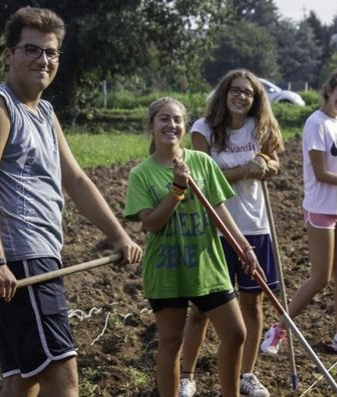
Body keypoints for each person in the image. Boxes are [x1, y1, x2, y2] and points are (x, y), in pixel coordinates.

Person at [0, 7, 142, 397]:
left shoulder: (44, 112)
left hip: (36, 255)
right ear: (9, 55)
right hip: (18, 258)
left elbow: (75, 180)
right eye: (32, 50)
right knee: (63, 377)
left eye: (51, 53)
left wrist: (118, 235)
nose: (43, 60)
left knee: (24, 377)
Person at [124, 97, 259, 397]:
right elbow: (152, 224)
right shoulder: (141, 174)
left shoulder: (203, 163)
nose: (171, 125)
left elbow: (221, 213)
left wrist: (244, 247)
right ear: (151, 126)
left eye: (177, 120)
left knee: (236, 333)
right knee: (171, 343)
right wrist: (176, 190)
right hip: (167, 270)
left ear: (185, 126)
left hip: (207, 265)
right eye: (163, 119)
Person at [175, 69, 285, 397]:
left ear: (255, 99)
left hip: (255, 225)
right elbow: (202, 181)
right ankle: (187, 374)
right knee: (202, 307)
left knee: (252, 306)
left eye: (248, 94)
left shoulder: (259, 127)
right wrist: (244, 170)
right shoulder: (203, 130)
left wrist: (267, 166)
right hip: (216, 229)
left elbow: (274, 162)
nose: (241, 97)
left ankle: (247, 374)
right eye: (235, 91)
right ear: (224, 94)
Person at [260, 67, 337, 356]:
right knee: (320, 277)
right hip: (322, 208)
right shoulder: (316, 123)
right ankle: (278, 329)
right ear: (329, 90)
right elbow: (321, 172)